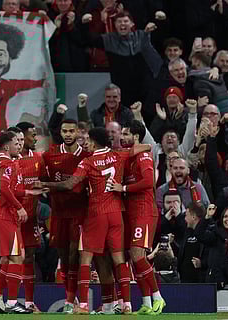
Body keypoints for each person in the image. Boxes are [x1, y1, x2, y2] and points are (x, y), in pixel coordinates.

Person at [38, 127, 150, 314]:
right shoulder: (119, 155)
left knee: (85, 257)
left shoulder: (88, 162)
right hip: (116, 213)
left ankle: (82, 305)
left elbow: (69, 184)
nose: (86, 143)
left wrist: (46, 184)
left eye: (88, 140)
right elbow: (145, 147)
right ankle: (127, 304)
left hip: (97, 213)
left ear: (95, 141)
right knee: (119, 258)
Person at [0, 131, 46, 314]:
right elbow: (3, 187)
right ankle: (11, 303)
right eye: (15, 142)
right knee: (17, 257)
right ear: (7, 146)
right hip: (4, 217)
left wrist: (27, 193)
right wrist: (19, 207)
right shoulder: (8, 163)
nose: (18, 145)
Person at [107, 119, 166, 315]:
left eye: (125, 134)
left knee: (137, 255)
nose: (121, 137)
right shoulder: (127, 156)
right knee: (134, 258)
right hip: (130, 212)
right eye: (121, 134)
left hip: (144, 211)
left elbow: (149, 181)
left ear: (136, 137)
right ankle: (147, 303)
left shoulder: (143, 157)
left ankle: (158, 298)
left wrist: (122, 188)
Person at [41, 118, 90, 313]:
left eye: (71, 131)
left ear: (78, 131)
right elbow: (41, 178)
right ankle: (70, 298)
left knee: (73, 255)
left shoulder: (86, 156)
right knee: (64, 257)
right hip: (58, 213)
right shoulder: (50, 155)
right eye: (64, 131)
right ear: (60, 132)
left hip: (79, 213)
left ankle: (71, 301)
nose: (68, 134)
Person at [82, 11, 163, 109]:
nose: (122, 24)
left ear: (132, 24)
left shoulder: (142, 36)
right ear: (115, 24)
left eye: (125, 21)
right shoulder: (109, 40)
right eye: (119, 22)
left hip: (143, 89)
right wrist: (86, 24)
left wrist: (160, 21)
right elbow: (89, 39)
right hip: (122, 91)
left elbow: (160, 36)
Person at [14, 121, 45, 312]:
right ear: (21, 137)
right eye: (32, 135)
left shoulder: (39, 158)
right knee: (9, 258)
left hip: (31, 218)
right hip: (13, 217)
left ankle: (28, 302)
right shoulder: (12, 159)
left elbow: (45, 182)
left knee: (30, 258)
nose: (35, 138)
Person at [178, 202, 207, 283]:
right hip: (184, 280)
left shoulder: (207, 233)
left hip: (201, 281)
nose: (185, 219)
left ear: (193, 217)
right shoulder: (187, 232)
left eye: (186, 215)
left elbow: (212, 257)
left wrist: (202, 263)